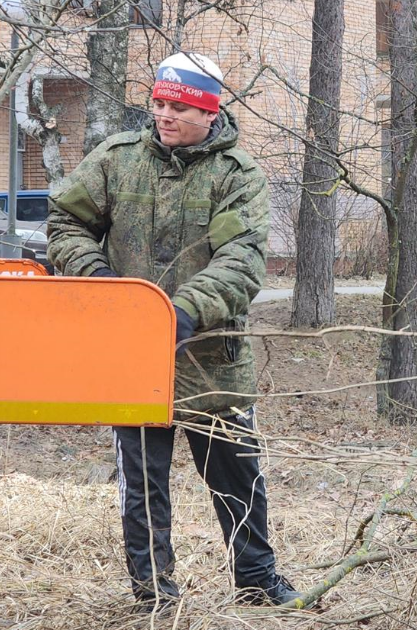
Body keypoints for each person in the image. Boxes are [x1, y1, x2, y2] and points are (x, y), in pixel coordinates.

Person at [46, 52, 302, 611]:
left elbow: (242, 260)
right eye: (158, 103)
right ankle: (154, 597)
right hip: (131, 357)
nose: (164, 115)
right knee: (141, 486)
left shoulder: (239, 176)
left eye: (178, 107)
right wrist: (102, 284)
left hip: (211, 357)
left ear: (209, 112)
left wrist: (181, 313)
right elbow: (66, 224)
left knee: (238, 480)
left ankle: (258, 582)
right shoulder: (117, 160)